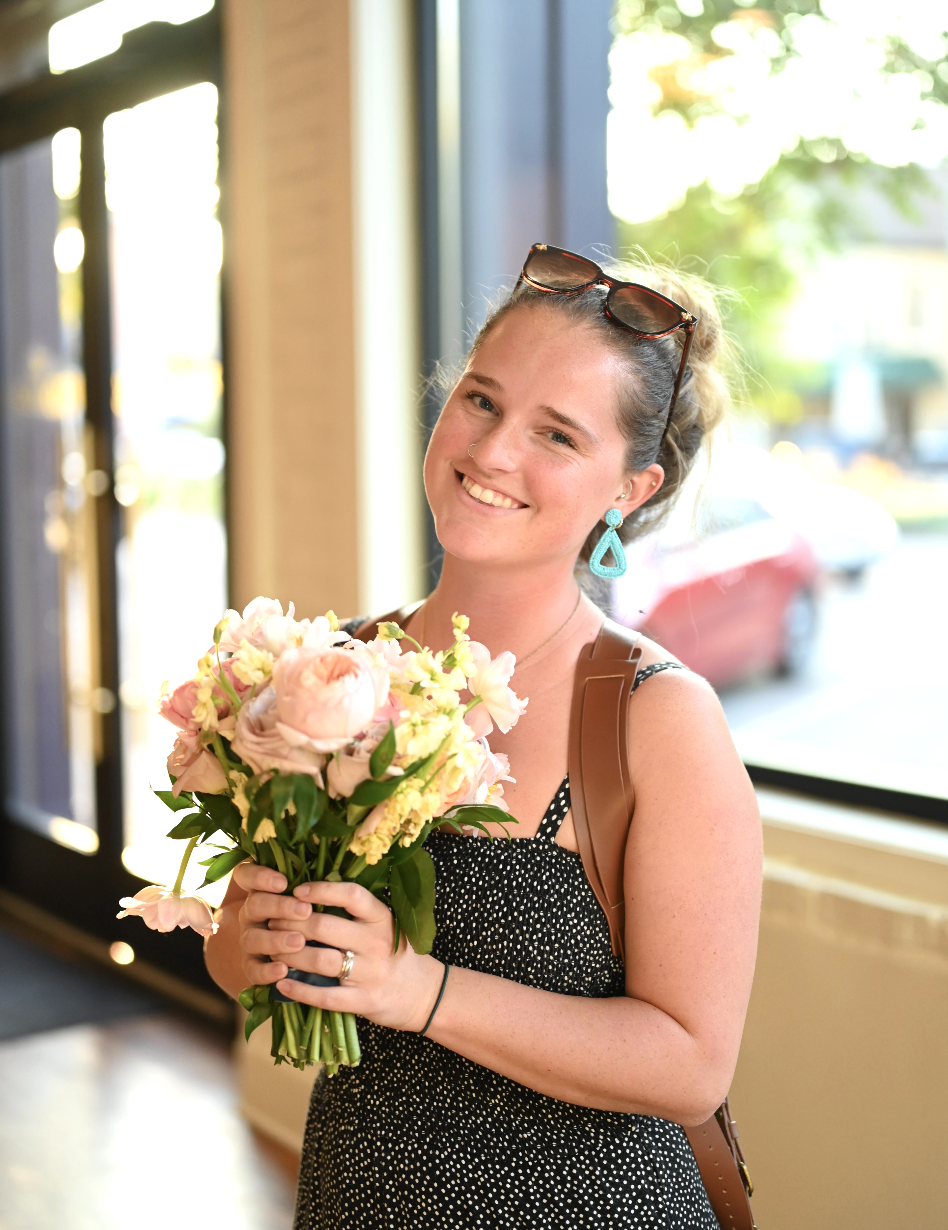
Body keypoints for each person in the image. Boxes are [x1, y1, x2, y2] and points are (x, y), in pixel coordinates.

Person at [205, 244, 762, 1229]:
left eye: (557, 434)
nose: (494, 451)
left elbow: (689, 1062)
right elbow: (247, 959)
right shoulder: (329, 670)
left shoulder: (654, 719)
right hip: (357, 1195)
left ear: (629, 488)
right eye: (483, 400)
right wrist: (244, 940)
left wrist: (417, 989)